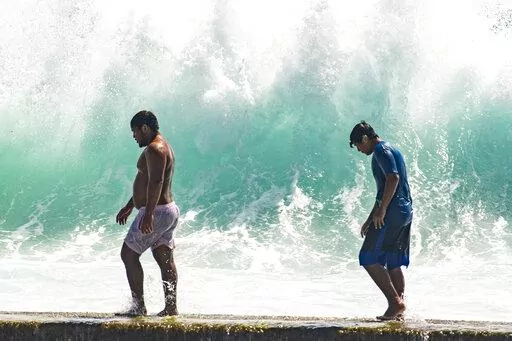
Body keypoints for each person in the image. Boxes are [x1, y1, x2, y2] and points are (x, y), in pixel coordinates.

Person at [115, 110, 180, 316]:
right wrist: (130, 205)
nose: (134, 136)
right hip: (166, 211)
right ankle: (171, 308)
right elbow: (146, 181)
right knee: (164, 259)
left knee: (128, 254)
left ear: (145, 128)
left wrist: (148, 214)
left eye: (135, 131)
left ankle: (139, 307)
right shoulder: (162, 146)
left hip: (158, 211)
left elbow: (156, 182)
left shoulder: (155, 149)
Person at [349, 121, 413, 321]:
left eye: (358, 144)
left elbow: (392, 178)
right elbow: (384, 188)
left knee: (368, 257)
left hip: (393, 211)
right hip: (405, 211)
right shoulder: (392, 148)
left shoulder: (380, 151)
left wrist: (383, 209)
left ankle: (395, 303)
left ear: (365, 138)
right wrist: (371, 217)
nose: (359, 150)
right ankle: (399, 311)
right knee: (393, 261)